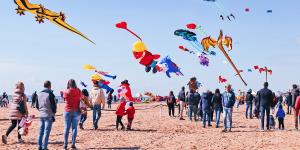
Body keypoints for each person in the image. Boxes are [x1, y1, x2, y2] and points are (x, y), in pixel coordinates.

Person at [36, 81, 57, 150]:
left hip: (41, 114)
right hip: (48, 115)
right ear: (50, 86)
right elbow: (54, 106)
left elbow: (37, 105)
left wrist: (41, 110)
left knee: (41, 131)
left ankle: (39, 146)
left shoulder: (39, 94)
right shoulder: (50, 94)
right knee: (46, 132)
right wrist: (54, 113)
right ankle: (44, 147)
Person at [63, 79, 82, 150]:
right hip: (76, 111)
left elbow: (64, 99)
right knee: (74, 128)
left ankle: (65, 145)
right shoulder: (78, 90)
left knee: (66, 128)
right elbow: (81, 97)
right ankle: (73, 144)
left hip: (67, 111)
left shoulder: (66, 91)